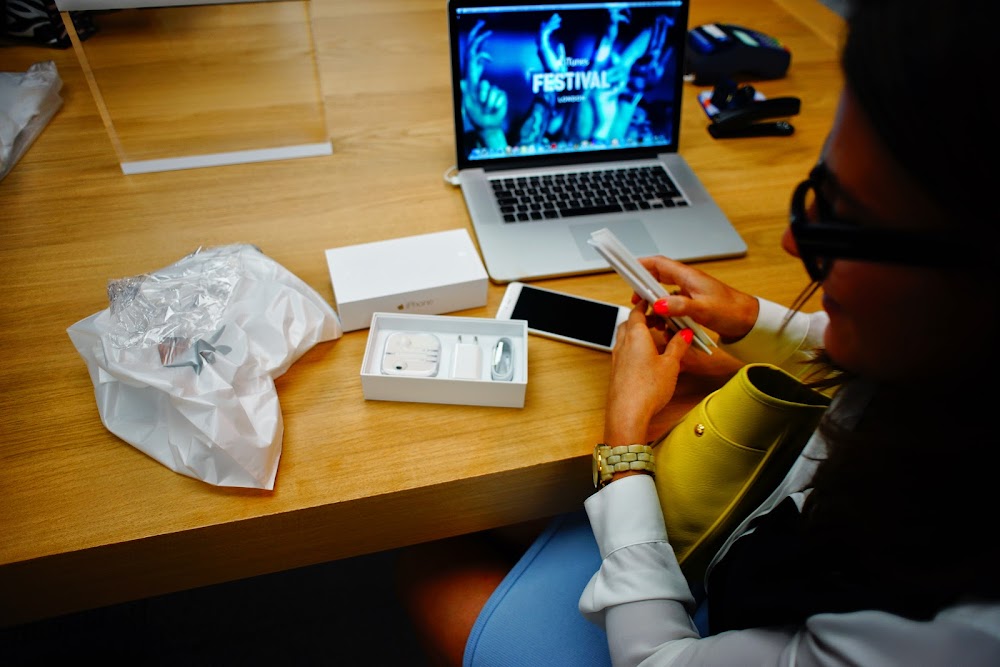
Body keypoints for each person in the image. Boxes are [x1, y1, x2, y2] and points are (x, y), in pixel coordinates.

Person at [394, 0, 1000, 664]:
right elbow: (879, 334)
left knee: (415, 537)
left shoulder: (954, 628)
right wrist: (750, 318)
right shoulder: (956, 358)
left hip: (682, 631)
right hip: (739, 554)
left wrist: (624, 442)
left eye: (845, 221)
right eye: (817, 193)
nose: (790, 242)